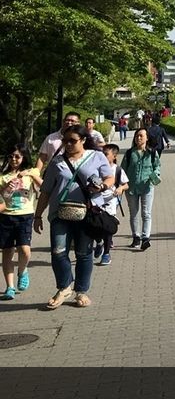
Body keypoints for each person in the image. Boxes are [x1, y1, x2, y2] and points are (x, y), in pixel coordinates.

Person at [33, 124, 114, 309]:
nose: (68, 144)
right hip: (60, 213)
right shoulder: (57, 161)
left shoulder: (96, 156)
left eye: (73, 141)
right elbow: (45, 191)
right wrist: (37, 216)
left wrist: (101, 187)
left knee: (84, 253)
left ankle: (81, 291)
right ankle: (64, 287)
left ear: (83, 140)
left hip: (87, 213)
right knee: (58, 252)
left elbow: (109, 178)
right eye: (65, 140)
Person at [1, 144, 42, 300]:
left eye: (17, 156)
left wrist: (32, 176)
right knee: (7, 252)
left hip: (25, 216)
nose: (14, 159)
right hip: (6, 217)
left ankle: (22, 271)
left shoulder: (31, 172)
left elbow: (44, 187)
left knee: (24, 250)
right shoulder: (3, 176)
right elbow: (2, 197)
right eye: (11, 156)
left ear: (24, 157)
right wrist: (6, 187)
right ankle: (10, 287)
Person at [122, 129, 160, 251]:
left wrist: (155, 175)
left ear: (147, 138)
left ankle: (145, 238)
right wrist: (122, 185)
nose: (138, 138)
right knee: (133, 213)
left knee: (146, 213)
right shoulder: (129, 153)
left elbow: (157, 167)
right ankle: (135, 236)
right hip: (131, 188)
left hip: (147, 187)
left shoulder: (152, 153)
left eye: (141, 136)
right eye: (136, 136)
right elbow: (122, 171)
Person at [92, 144, 129, 266]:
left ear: (114, 156)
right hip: (96, 200)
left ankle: (106, 254)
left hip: (111, 201)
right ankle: (99, 242)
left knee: (107, 227)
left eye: (106, 154)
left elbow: (126, 184)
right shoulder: (95, 168)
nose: (103, 156)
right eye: (102, 153)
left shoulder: (117, 170)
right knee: (95, 225)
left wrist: (120, 188)